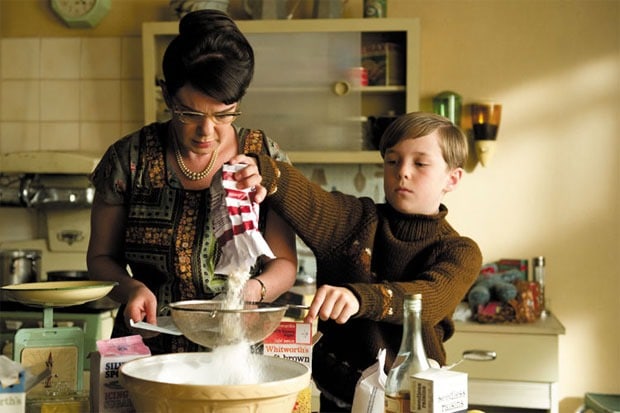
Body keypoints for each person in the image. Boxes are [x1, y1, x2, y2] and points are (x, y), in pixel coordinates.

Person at [86, 9, 297, 354]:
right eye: (190, 114)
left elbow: (285, 264)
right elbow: (100, 257)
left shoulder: (263, 160)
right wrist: (130, 289)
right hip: (147, 347)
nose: (207, 130)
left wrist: (251, 291)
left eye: (224, 114)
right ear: (168, 97)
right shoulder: (129, 159)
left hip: (235, 349)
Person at [241, 112, 482, 411]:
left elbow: (427, 300)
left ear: (453, 178)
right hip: (337, 396)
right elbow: (313, 202)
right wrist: (264, 171)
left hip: (411, 399)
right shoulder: (355, 221)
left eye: (420, 163)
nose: (402, 172)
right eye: (392, 161)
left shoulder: (460, 250)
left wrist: (358, 297)